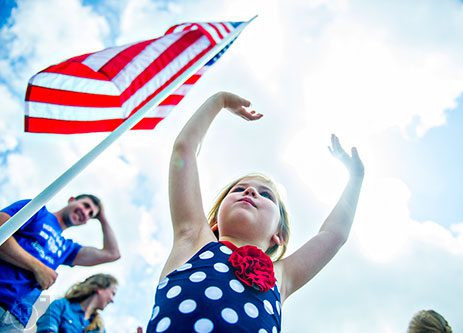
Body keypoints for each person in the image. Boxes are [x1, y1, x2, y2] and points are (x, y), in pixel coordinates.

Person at [146, 92, 364, 332]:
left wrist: (355, 178)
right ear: (217, 220)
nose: (250, 191)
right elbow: (184, 150)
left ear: (278, 235)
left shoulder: (282, 277)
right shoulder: (193, 238)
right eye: (238, 189)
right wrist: (220, 101)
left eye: (266, 194)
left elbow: (333, 235)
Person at [0, 194, 121, 332]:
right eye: (86, 205)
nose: (86, 213)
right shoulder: (37, 211)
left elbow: (113, 254)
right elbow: (1, 231)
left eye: (91, 214)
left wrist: (102, 218)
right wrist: (37, 267)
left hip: (16, 317)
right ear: (71, 200)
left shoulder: (66, 248)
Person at [36, 273, 117, 333]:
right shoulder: (62, 305)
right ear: (100, 288)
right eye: (112, 293)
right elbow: (46, 329)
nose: (112, 300)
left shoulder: (99, 329)